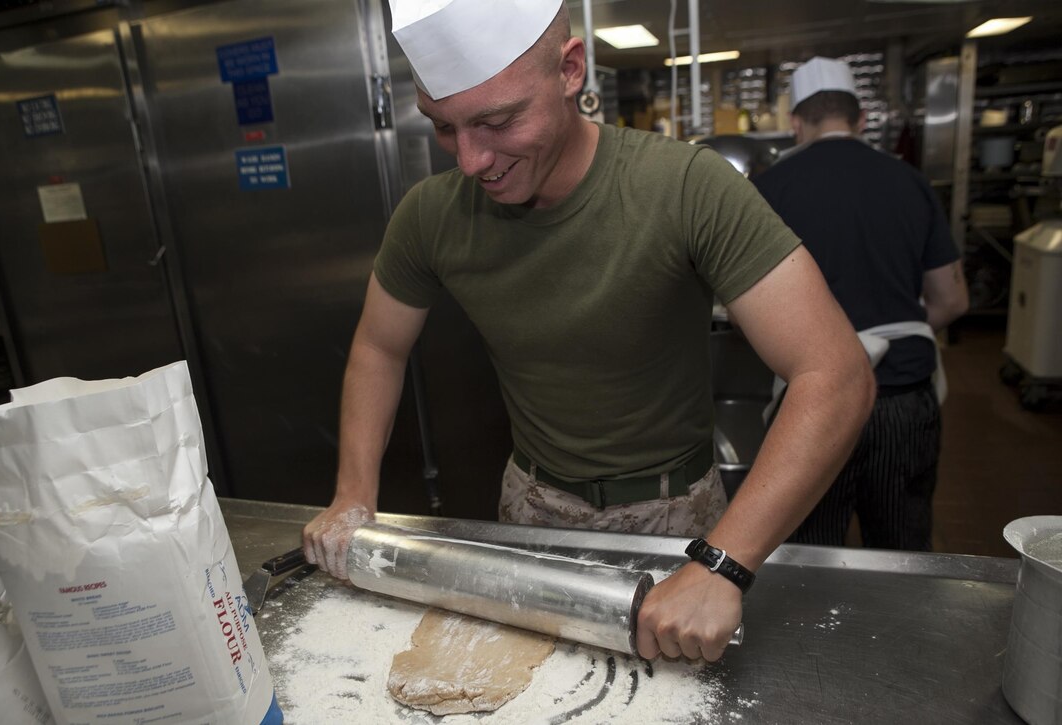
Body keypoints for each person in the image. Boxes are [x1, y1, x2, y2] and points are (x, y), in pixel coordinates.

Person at [303, 2, 874, 663]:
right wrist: (353, 493)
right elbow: (379, 347)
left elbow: (836, 374)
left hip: (677, 516)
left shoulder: (684, 187)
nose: (469, 161)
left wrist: (722, 565)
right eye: (443, 127)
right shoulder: (431, 218)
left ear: (570, 70)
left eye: (496, 121)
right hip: (530, 506)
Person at [753, 56, 969, 551]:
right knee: (901, 549)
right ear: (861, 120)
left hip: (812, 401)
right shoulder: (911, 182)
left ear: (795, 123)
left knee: (809, 550)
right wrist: (886, 332)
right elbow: (952, 299)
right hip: (901, 397)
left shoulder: (768, 190)